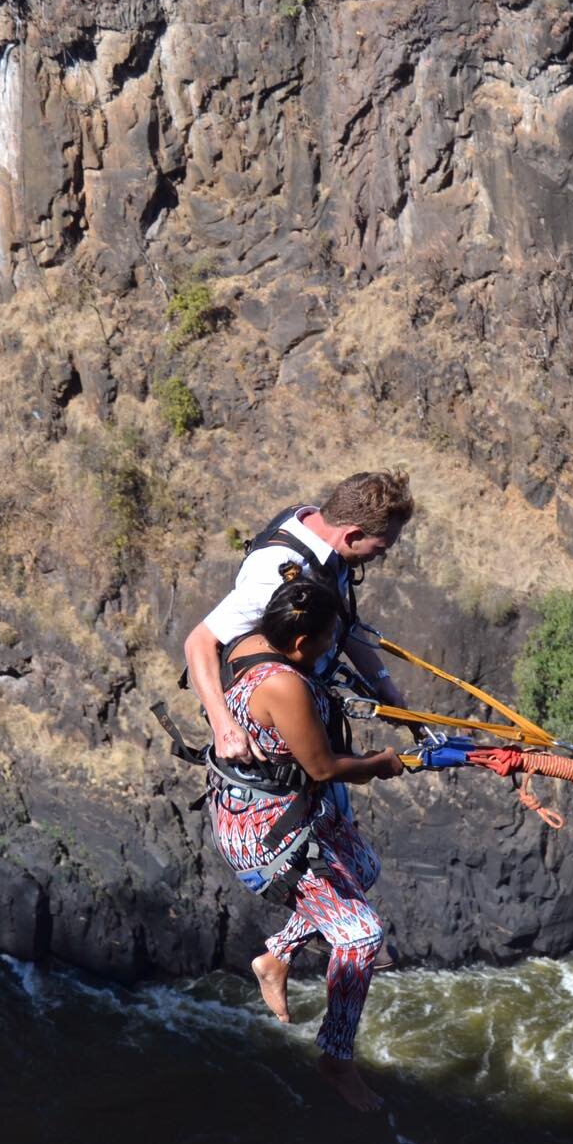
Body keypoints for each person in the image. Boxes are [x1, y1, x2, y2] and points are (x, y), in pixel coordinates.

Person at [207, 576, 404, 1111]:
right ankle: (337, 1059)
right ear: (299, 645)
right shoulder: (284, 684)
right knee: (362, 936)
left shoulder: (251, 640)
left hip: (278, 806)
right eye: (325, 641)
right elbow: (323, 766)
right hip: (268, 834)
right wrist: (379, 765)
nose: (327, 650)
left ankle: (277, 956)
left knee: (363, 866)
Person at [183, 469, 417, 762]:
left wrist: (381, 682)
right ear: (353, 534)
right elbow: (200, 641)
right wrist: (224, 727)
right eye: (379, 548)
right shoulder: (275, 573)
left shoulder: (319, 530)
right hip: (269, 735)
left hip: (305, 707)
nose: (379, 557)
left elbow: (340, 620)